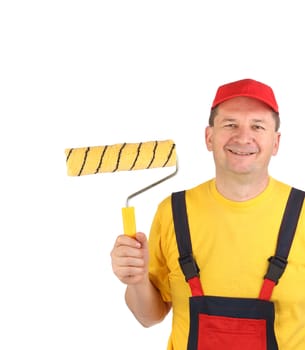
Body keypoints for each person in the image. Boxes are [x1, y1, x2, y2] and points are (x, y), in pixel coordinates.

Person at [110, 78, 305, 350]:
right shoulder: (173, 213)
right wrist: (137, 279)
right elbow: (149, 317)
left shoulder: (302, 215)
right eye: (230, 124)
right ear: (209, 137)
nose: (243, 137)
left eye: (257, 126)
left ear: (276, 142)